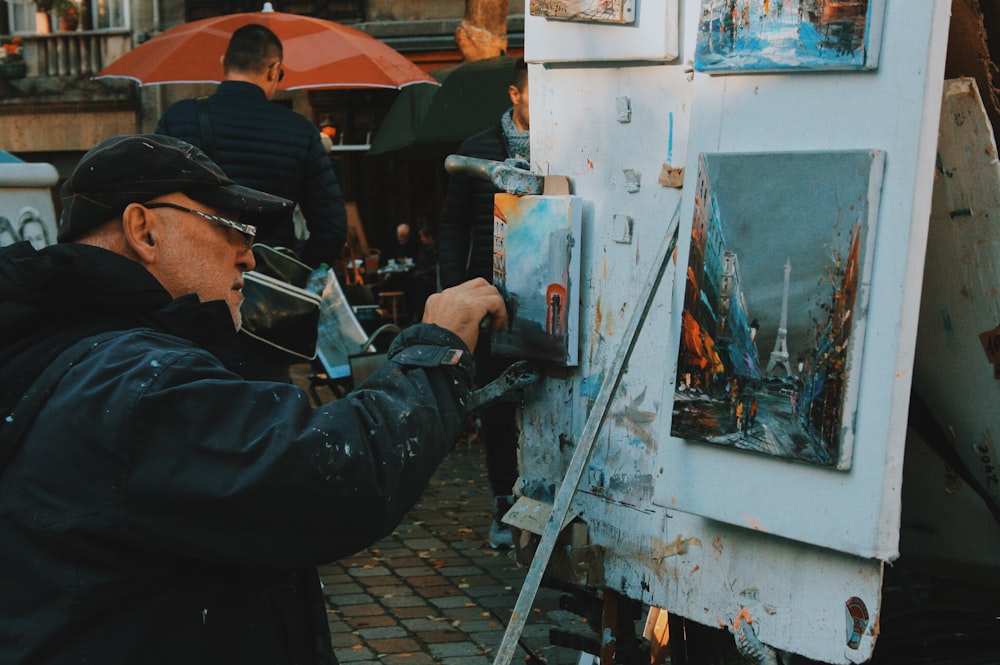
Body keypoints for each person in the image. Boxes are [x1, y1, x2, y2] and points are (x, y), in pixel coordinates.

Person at [0, 134, 506, 664]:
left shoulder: (71, 344)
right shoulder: (138, 382)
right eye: (232, 228)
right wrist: (434, 351)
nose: (248, 255)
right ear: (143, 229)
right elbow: (328, 476)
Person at [155, 23, 346, 269]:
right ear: (274, 69)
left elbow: (155, 201)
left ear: (224, 61)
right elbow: (331, 228)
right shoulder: (301, 131)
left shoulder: (178, 118)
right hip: (268, 276)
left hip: (194, 272)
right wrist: (297, 273)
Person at [437, 57, 529, 549]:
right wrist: (457, 286)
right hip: (492, 296)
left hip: (548, 298)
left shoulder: (567, 146)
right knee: (494, 403)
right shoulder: (477, 151)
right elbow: (452, 225)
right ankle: (502, 500)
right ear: (515, 95)